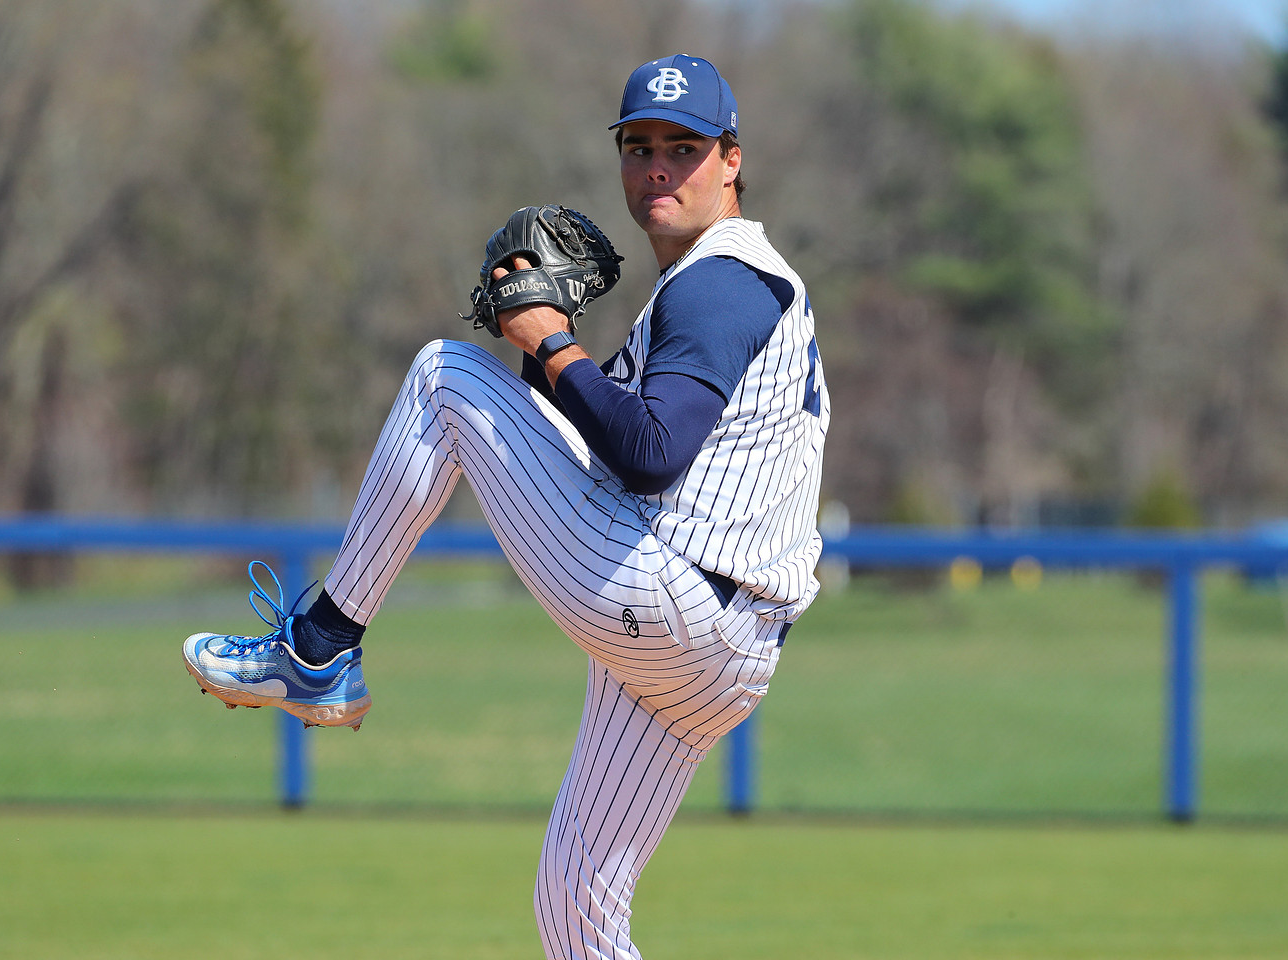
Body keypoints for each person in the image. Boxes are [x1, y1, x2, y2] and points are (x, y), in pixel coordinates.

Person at [183, 53, 829, 960]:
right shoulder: (710, 286)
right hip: (714, 653)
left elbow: (650, 454)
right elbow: (599, 450)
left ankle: (319, 648)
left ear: (731, 160)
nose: (657, 169)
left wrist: (553, 342)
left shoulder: (722, 279)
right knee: (574, 907)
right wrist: (542, 357)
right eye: (639, 147)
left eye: (683, 149)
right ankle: (320, 653)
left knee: (444, 378)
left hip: (680, 604)